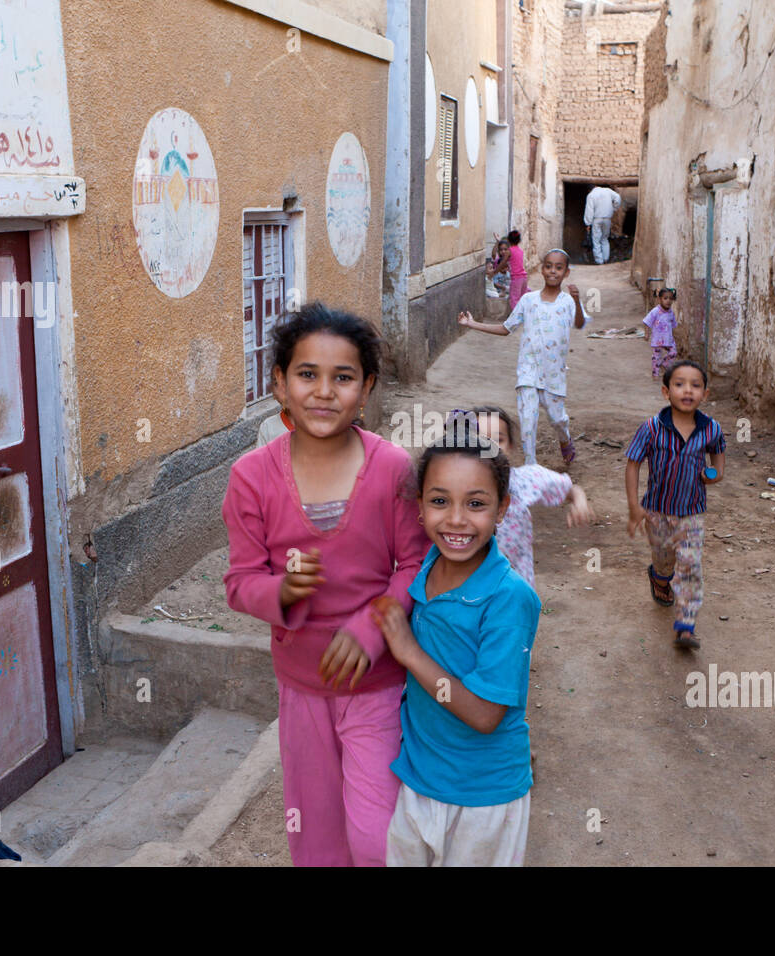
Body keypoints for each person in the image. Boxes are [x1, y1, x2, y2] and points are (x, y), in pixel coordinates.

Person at [222, 303, 431, 866]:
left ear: (365, 390)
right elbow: (240, 582)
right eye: (307, 374)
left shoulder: (392, 470)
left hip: (378, 686)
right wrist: (282, 593)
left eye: (343, 377)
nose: (324, 391)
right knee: (313, 834)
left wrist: (371, 627)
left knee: (375, 834)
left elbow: (416, 565)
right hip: (301, 687)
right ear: (279, 385)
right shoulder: (251, 478)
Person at [372, 416, 541, 866]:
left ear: (503, 509)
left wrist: (408, 651)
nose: (457, 520)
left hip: (482, 795)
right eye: (440, 501)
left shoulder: (509, 599)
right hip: (420, 778)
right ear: (420, 508)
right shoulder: (427, 565)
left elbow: (486, 715)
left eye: (476, 503)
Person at [624, 360, 725, 650]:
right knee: (664, 560)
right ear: (666, 392)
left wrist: (713, 475)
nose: (688, 390)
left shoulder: (712, 429)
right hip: (656, 511)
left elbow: (718, 461)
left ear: (705, 394)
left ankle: (685, 626)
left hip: (692, 513)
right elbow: (633, 465)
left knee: (690, 565)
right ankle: (658, 578)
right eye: (680, 384)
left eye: (696, 385)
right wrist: (634, 508)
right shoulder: (652, 429)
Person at [457, 249, 588, 467]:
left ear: (566, 272)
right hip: (528, 372)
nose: (552, 271)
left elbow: (580, 323)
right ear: (542, 268)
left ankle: (564, 439)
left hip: (553, 375)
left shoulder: (567, 302)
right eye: (548, 266)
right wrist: (472, 324)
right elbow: (506, 328)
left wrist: (576, 300)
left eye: (558, 267)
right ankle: (531, 466)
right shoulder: (528, 300)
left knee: (557, 419)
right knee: (528, 421)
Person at [468, 405, 594, 587]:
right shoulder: (455, 491)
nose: (490, 447)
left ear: (510, 446)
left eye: (498, 439)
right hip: (471, 590)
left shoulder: (525, 480)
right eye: (480, 440)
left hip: (516, 588)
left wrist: (579, 501)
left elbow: (570, 489)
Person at [641, 287, 680, 379]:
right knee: (656, 357)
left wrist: (674, 335)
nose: (668, 301)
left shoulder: (671, 313)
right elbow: (647, 321)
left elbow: (673, 325)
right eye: (665, 298)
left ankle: (664, 365)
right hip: (658, 339)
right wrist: (646, 333)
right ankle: (655, 373)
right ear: (659, 299)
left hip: (668, 338)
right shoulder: (655, 311)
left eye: (670, 299)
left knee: (673, 353)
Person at [584, 186, 622, 265]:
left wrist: (588, 223)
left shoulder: (591, 195)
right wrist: (614, 208)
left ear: (590, 189)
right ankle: (606, 259)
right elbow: (618, 197)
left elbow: (589, 211)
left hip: (596, 220)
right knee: (604, 239)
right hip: (607, 219)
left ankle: (599, 261)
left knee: (596, 240)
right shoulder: (608, 191)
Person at [506, 229, 528, 314]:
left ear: (508, 240)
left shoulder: (509, 251)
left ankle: (516, 317)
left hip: (516, 278)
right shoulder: (520, 251)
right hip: (524, 277)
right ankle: (524, 314)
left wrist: (495, 271)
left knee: (514, 299)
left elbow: (503, 262)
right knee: (522, 298)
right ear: (519, 240)